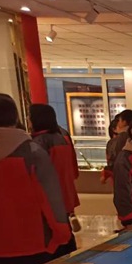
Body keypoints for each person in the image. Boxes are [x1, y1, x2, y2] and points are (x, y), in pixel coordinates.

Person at [0, 94, 71, 264]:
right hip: (34, 241)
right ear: (15, 118)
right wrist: (61, 233)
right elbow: (50, 197)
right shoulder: (33, 152)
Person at [29, 104, 80, 252]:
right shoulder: (62, 138)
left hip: (50, 196)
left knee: (53, 237)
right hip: (65, 192)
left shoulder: (38, 144)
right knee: (66, 233)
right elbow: (73, 166)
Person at [103, 109, 132, 183]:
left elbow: (111, 160)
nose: (118, 123)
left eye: (119, 120)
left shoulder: (113, 141)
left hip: (119, 177)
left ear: (124, 122)